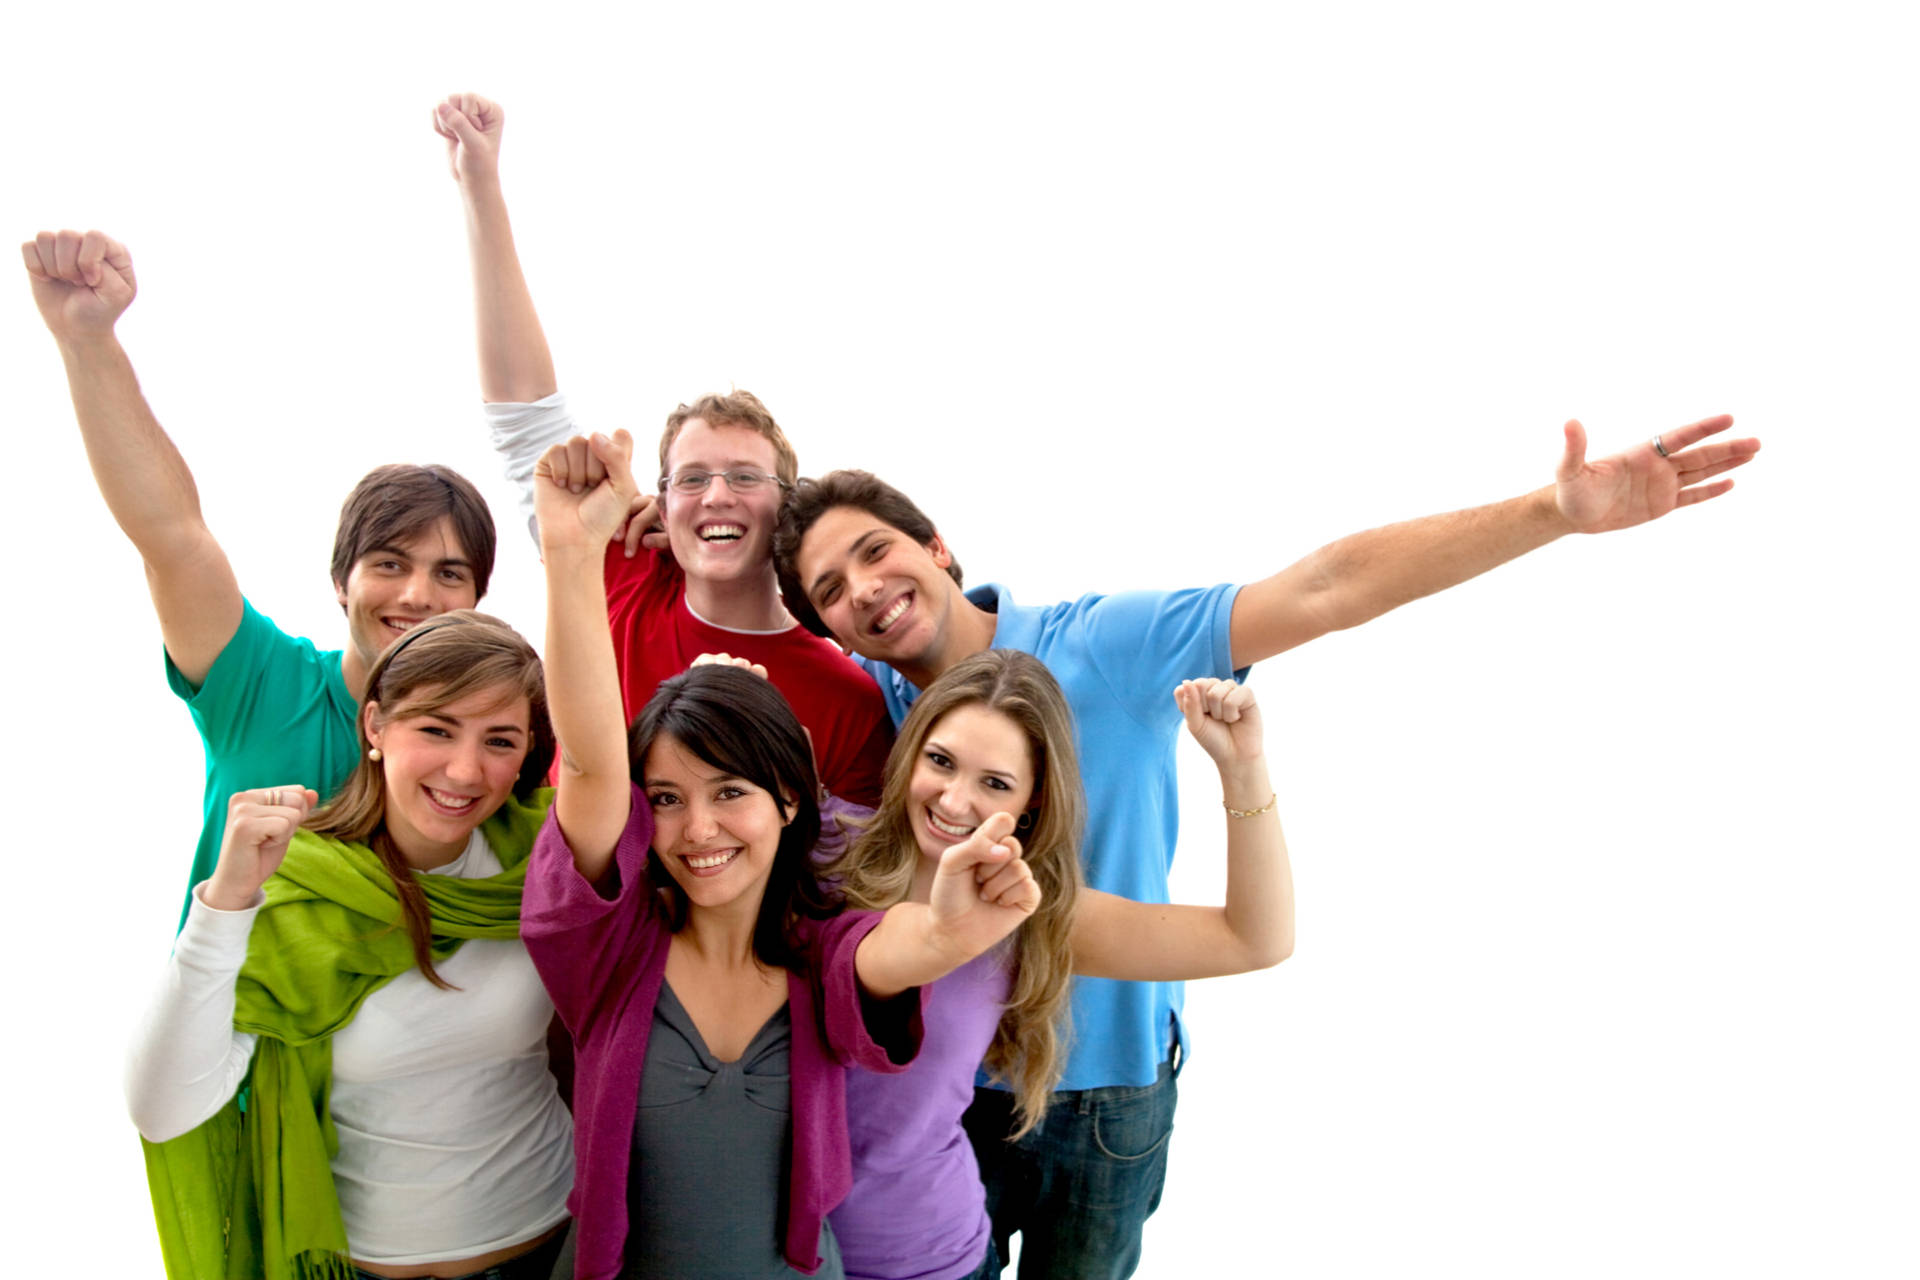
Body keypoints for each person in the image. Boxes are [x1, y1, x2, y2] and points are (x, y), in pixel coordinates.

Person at [772, 424, 1761, 1278]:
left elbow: (1328, 588)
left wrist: (1554, 511)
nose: (866, 588)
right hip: (947, 1097)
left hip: (1105, 1089)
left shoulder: (1103, 644)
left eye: (875, 551)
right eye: (831, 588)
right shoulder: (875, 714)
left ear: (938, 546)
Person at [522, 428, 1041, 1278]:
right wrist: (568, 554)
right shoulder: (613, 952)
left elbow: (886, 952)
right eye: (665, 799)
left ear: (792, 800)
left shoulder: (815, 950)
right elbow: (585, 761)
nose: (700, 830)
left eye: (732, 794)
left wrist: (948, 937)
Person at [23, 229, 499, 927]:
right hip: (226, 1024)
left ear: (477, 600)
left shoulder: (499, 737)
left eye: (447, 573)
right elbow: (171, 537)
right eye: (389, 564)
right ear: (341, 581)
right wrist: (87, 341)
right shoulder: (264, 682)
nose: (416, 595)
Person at [433, 91, 893, 804]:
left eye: (744, 476)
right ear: (661, 502)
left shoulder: (846, 697)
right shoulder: (613, 569)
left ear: (785, 509)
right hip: (570, 911)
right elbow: (522, 409)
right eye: (692, 479)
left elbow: (846, 878)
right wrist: (481, 186)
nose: (716, 495)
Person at [126, 611, 573, 1280]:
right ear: (374, 728)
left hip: (553, 1247)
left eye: (499, 741)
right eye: (436, 729)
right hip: (365, 1264)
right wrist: (224, 903)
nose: (464, 768)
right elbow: (160, 1111)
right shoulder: (297, 889)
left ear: (528, 753)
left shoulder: (545, 862)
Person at [827, 649, 1292, 1280]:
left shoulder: (1028, 912)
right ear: (910, 751)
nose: (955, 801)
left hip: (929, 1256)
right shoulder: (821, 848)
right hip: (776, 1252)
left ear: (1032, 801)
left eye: (995, 783)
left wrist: (1243, 770)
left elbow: (1254, 940)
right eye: (941, 761)